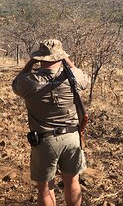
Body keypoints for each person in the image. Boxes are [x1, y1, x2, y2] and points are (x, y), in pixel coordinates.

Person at [12, 39, 89, 206]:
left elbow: (15, 83)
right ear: (61, 56)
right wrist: (67, 60)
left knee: (45, 188)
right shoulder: (74, 78)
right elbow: (84, 78)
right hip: (72, 137)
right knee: (73, 182)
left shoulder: (30, 81)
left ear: (40, 58)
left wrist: (31, 62)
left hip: (44, 140)